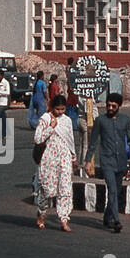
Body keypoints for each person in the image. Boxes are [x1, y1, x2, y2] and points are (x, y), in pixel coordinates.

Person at [84, 93, 130, 234]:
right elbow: (93, 142)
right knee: (112, 190)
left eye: (113, 106)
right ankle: (116, 220)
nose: (110, 108)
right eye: (108, 105)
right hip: (107, 161)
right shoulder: (100, 121)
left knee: (117, 192)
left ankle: (107, 217)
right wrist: (88, 160)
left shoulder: (125, 120)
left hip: (121, 162)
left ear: (119, 106)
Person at [34, 94, 76, 232]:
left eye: (62, 109)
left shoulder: (67, 121)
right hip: (49, 158)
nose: (60, 112)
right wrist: (51, 128)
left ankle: (64, 219)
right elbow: (38, 138)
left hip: (64, 157)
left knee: (65, 188)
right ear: (52, 108)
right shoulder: (45, 119)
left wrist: (73, 156)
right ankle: (41, 214)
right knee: (46, 188)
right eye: (57, 109)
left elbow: (70, 139)